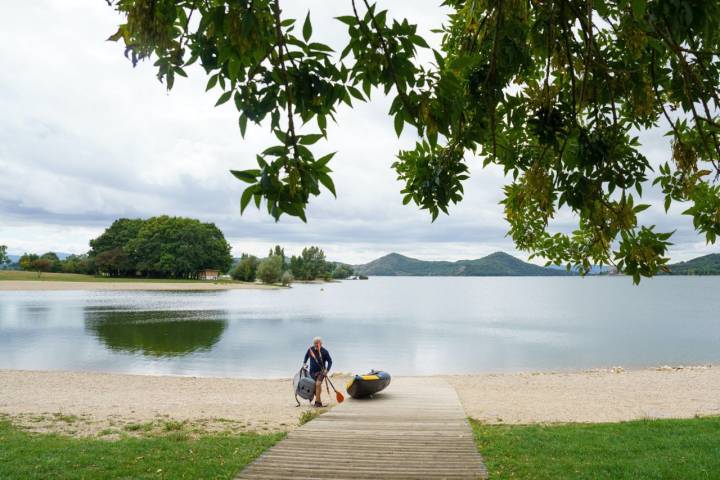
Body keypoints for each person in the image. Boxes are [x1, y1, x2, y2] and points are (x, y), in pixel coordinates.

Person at [303, 336, 332, 407]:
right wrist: (304, 363)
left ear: (321, 343)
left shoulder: (324, 351)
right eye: (315, 343)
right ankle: (319, 402)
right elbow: (306, 356)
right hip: (312, 372)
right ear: (313, 343)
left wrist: (327, 370)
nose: (316, 344)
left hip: (321, 371)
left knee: (318, 384)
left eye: (318, 343)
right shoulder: (310, 350)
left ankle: (317, 403)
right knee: (315, 387)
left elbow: (330, 362)